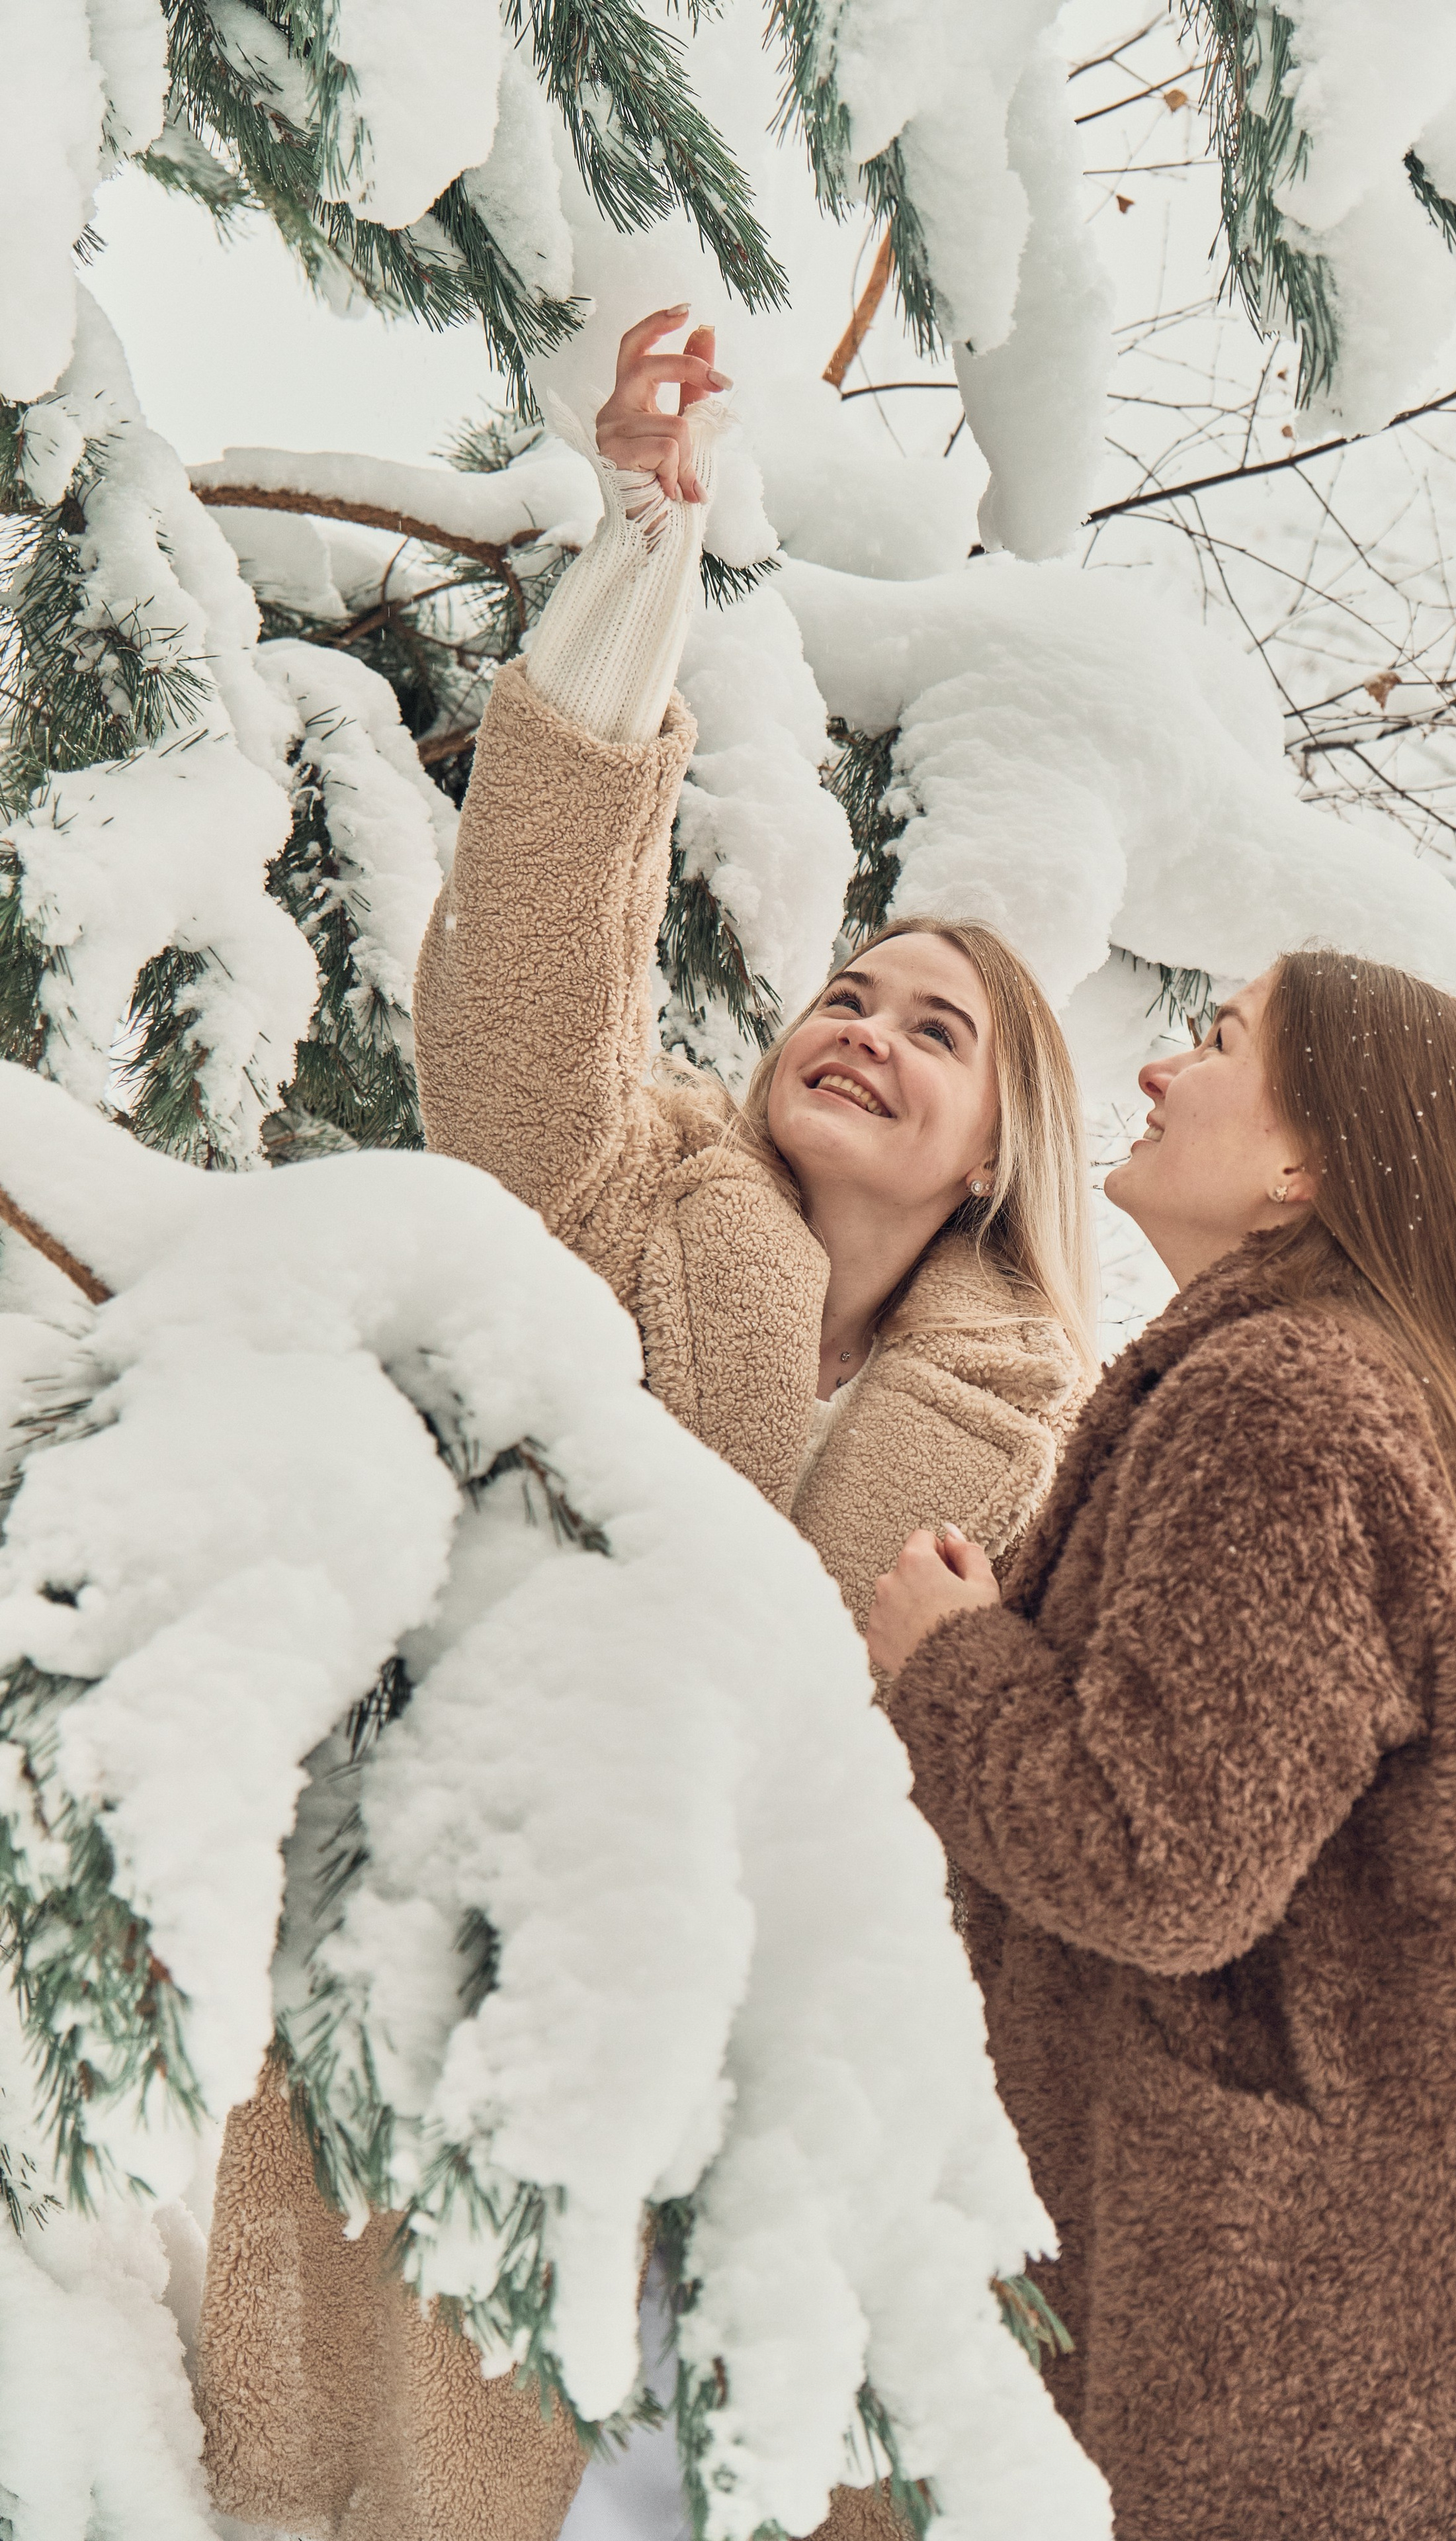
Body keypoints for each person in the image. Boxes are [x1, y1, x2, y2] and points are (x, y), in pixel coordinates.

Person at [193, 309, 1097, 2541]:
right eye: (848, 993)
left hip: (790, 2158)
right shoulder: (626, 1192)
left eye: (936, 1031)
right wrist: (640, 554)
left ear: (1000, 1155)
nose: (866, 1027)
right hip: (490, 2016)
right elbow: (519, 996)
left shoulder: (1058, 1442)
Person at [865, 952, 1456, 2541]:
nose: (1153, 1071)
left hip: (1251, 2360)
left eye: (1214, 1044)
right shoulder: (1381, 1398)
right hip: (1354, 2351)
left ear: (1301, 1166)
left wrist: (947, 1666)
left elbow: (1158, 1862)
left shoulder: (1277, 1401)